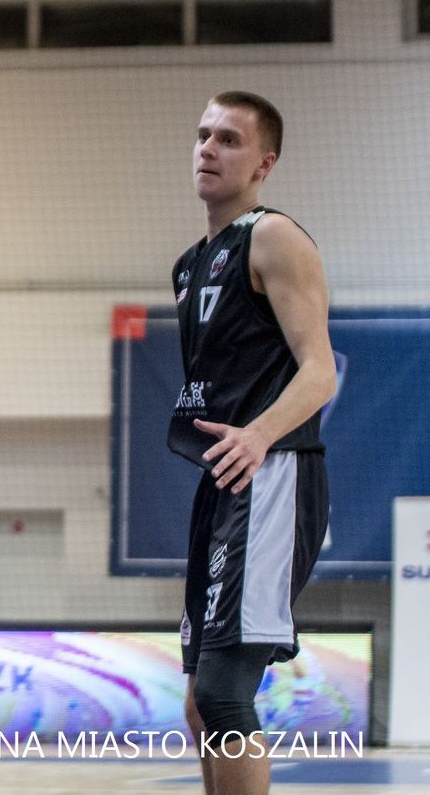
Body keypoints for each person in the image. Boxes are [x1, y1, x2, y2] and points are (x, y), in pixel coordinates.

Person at [170, 92, 335, 795]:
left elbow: (319, 370)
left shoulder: (273, 237)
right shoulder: (189, 265)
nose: (208, 148)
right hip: (223, 480)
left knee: (224, 692)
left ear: (264, 164)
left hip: (273, 471)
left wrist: (260, 434)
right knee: (199, 704)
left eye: (229, 139)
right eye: (203, 134)